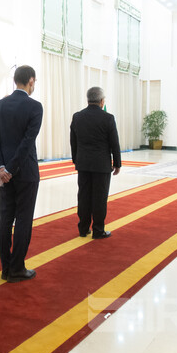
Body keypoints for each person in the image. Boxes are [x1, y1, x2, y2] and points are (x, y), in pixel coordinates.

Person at [0, 65, 42, 282]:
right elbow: (28, 142)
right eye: (34, 82)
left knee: (6, 217)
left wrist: (1, 167)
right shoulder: (35, 107)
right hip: (26, 171)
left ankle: (5, 268)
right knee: (23, 219)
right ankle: (17, 268)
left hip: (4, 173)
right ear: (30, 80)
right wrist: (11, 168)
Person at [70, 87, 121, 239]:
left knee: (84, 196)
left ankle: (83, 228)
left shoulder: (77, 117)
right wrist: (117, 163)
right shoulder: (108, 118)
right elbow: (114, 143)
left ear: (88, 100)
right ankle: (98, 230)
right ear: (102, 101)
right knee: (99, 198)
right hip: (101, 165)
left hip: (83, 164)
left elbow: (73, 142)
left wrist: (76, 160)